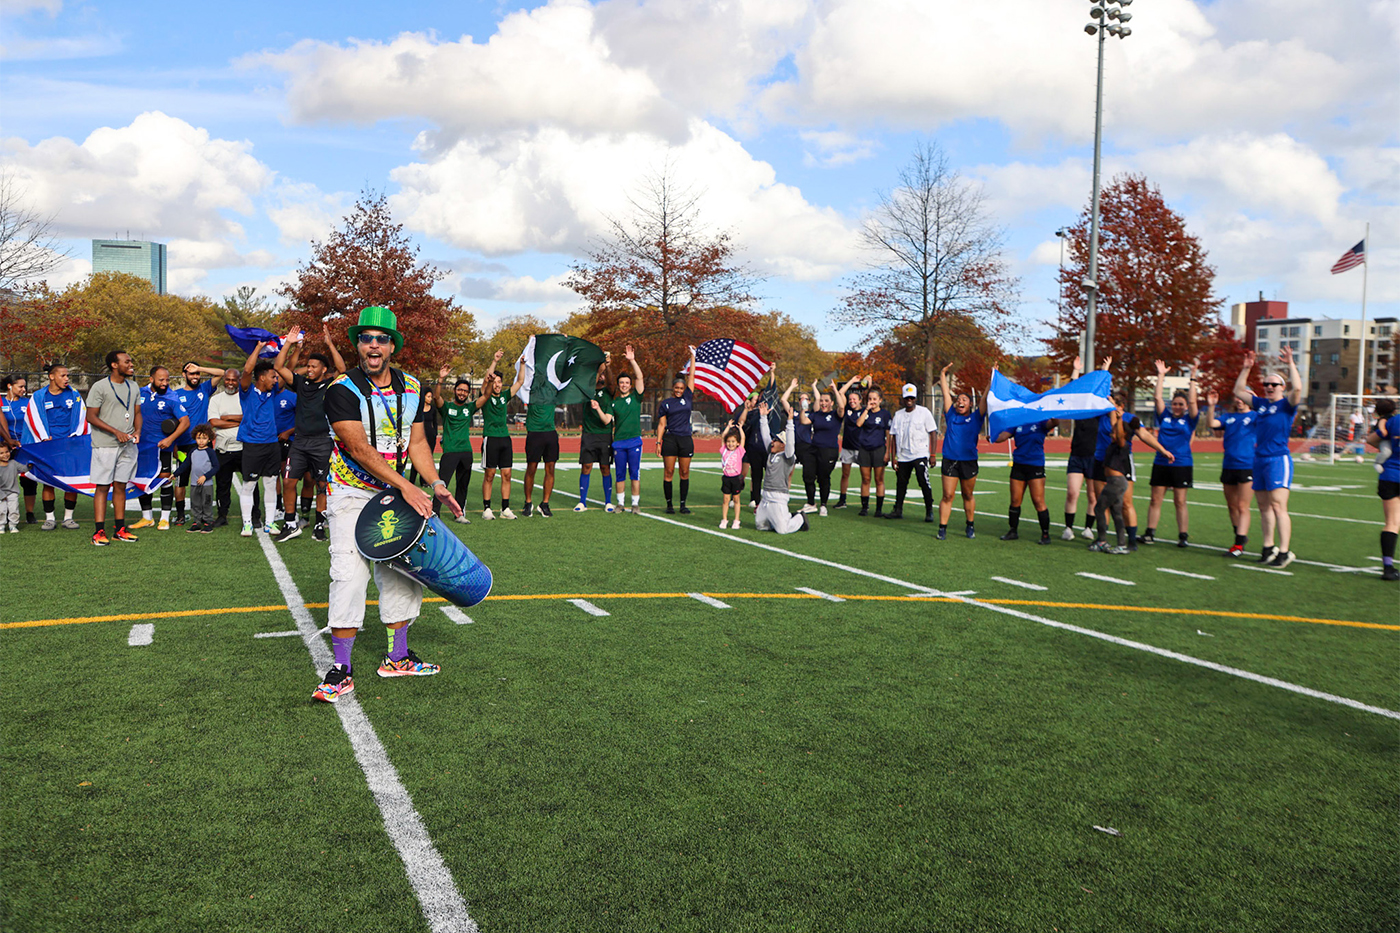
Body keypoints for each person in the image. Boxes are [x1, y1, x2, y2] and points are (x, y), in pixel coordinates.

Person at [312, 306, 462, 704]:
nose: (373, 345)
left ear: (392, 345)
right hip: (351, 491)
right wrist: (408, 489)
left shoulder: (411, 386)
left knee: (403, 573)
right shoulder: (341, 388)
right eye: (366, 338)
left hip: (394, 493)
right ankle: (341, 669)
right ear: (357, 345)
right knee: (348, 573)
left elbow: (417, 444)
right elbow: (358, 449)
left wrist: (435, 483)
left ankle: (398, 657)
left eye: (381, 338)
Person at [271, 324, 346, 542]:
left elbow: (341, 369)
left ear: (324, 370)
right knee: (289, 482)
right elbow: (279, 367)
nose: (309, 369)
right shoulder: (301, 383)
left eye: (314, 366)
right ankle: (290, 523)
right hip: (300, 442)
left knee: (322, 485)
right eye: (308, 365)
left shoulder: (331, 384)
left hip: (322, 442)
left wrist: (330, 344)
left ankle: (320, 525)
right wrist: (289, 344)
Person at [1233, 347, 1301, 568]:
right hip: (1259, 459)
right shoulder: (1261, 404)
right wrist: (1246, 368)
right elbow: (1238, 390)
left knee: (1279, 505)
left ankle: (1284, 550)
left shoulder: (1286, 405)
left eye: (1274, 384)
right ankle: (1268, 547)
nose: (1269, 387)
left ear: (1282, 388)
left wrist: (1291, 363)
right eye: (1266, 384)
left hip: (1278, 459)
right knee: (1263, 506)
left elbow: (1298, 387)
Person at [1091, 393, 1173, 554]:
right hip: (1101, 461)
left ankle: (1131, 540)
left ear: (1121, 405)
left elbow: (1144, 435)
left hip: (1120, 464)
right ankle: (1103, 539)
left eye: (1113, 403)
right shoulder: (1102, 415)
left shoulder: (1128, 418)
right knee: (1103, 503)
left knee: (1125, 504)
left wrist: (1162, 450)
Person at [86, 350, 142, 546]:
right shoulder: (99, 387)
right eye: (127, 362)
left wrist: (137, 431)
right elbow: (91, 417)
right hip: (105, 444)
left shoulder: (134, 386)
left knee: (121, 486)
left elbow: (137, 413)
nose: (131, 364)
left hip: (128, 446)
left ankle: (120, 529)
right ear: (114, 365)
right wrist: (115, 432)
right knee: (102, 487)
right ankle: (99, 532)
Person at [1142, 359, 1200, 548]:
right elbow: (1158, 398)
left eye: (1180, 404)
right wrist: (1161, 375)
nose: (1177, 406)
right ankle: (1150, 533)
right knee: (1155, 499)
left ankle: (1183, 535)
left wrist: (1193, 377)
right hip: (1161, 462)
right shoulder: (1164, 417)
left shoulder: (1190, 420)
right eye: (1175, 403)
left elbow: (1192, 400)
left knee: (1180, 501)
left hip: (1182, 463)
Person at [21, 363, 85, 530]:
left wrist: (75, 435)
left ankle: (68, 518)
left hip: (70, 444)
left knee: (71, 480)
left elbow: (82, 416)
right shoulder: (39, 396)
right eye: (63, 376)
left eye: (67, 376)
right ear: (51, 376)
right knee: (48, 482)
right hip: (48, 445)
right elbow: (32, 417)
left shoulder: (74, 394)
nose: (66, 379)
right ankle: (50, 518)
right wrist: (43, 437)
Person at [132, 365, 190, 531]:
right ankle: (146, 517)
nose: (165, 383)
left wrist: (170, 439)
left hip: (161, 447)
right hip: (142, 446)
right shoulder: (140, 393)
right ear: (151, 380)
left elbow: (185, 422)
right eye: (161, 380)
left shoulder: (172, 398)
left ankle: (164, 518)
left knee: (164, 480)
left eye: (167, 380)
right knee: (143, 480)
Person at [236, 345, 283, 537]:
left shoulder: (273, 392)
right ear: (262, 377)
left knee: (271, 483)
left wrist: (291, 346)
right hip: (252, 444)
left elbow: (286, 368)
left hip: (272, 444)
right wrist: (257, 348)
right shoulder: (247, 391)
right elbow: (247, 370)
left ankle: (270, 523)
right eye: (272, 376)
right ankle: (247, 524)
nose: (275, 380)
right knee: (249, 484)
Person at [937, 363, 987, 540]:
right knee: (947, 495)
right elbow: (944, 393)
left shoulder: (976, 418)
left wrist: (992, 378)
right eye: (958, 399)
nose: (960, 402)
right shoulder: (951, 415)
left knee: (967, 494)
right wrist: (943, 374)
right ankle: (942, 528)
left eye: (964, 400)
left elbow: (985, 399)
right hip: (950, 460)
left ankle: (970, 525)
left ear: (970, 404)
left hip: (968, 461)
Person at [1205, 389, 1257, 558]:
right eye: (1238, 397)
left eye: (1244, 397)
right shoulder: (1228, 417)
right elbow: (1211, 424)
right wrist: (1211, 406)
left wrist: (1256, 399)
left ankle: (1239, 544)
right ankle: (1239, 536)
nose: (1240, 400)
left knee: (1243, 505)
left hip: (1248, 466)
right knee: (1232, 506)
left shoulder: (1256, 416)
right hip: (1229, 465)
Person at [512, 346, 563, 518]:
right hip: (534, 432)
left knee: (551, 468)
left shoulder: (553, 386)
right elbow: (523, 376)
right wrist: (531, 344)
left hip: (550, 433)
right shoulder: (530, 388)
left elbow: (562, 367)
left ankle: (545, 503)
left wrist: (563, 344)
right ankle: (528, 502)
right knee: (531, 468)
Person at [173, 362, 225, 525]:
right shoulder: (175, 395)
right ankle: (181, 515)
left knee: (204, 479)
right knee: (181, 480)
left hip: (203, 445)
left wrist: (200, 368)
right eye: (191, 374)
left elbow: (221, 373)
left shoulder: (205, 389)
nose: (195, 377)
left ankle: (204, 514)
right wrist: (174, 444)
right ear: (184, 375)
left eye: (197, 374)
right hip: (183, 444)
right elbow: (174, 421)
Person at [994, 411, 1055, 545]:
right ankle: (1013, 531)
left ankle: (1045, 534)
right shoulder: (1018, 420)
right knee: (1015, 500)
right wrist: (992, 437)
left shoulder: (1041, 420)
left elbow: (1053, 423)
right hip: (1019, 464)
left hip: (1035, 465)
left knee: (1038, 501)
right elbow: (1004, 436)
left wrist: (1056, 412)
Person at [753, 401, 809, 534]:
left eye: (776, 440)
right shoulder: (771, 453)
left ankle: (799, 518)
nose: (772, 442)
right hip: (766, 497)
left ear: (783, 445)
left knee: (782, 530)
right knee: (761, 526)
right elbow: (765, 435)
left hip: (778, 498)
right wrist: (763, 418)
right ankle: (778, 519)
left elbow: (791, 443)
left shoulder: (788, 456)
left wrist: (790, 423)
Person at [886, 383, 938, 522]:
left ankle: (929, 510)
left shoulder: (924, 412)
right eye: (907, 398)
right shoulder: (898, 415)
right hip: (903, 456)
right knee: (901, 483)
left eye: (912, 398)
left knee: (923, 481)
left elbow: (933, 433)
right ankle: (898, 510)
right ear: (903, 399)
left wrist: (933, 454)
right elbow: (893, 436)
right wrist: (893, 458)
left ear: (915, 398)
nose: (909, 400)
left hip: (920, 453)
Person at [1061, 356, 1099, 540]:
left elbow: (1107, 390)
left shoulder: (1100, 410)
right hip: (1076, 454)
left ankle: (1088, 528)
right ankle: (1068, 528)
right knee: (1072, 492)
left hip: (1094, 456)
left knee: (1093, 496)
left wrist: (1106, 370)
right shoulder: (1080, 409)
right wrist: (1075, 371)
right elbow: (1071, 393)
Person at [655, 345, 697, 514]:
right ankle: (669, 504)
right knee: (669, 472)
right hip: (670, 439)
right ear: (673, 388)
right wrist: (658, 442)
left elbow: (692, 376)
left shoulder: (687, 396)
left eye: (681, 388)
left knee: (685, 472)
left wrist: (693, 356)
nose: (679, 390)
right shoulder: (665, 403)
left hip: (685, 439)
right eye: (677, 388)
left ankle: (682, 504)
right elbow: (661, 425)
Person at [433, 366, 475, 524]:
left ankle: (459, 514)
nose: (462, 393)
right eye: (460, 390)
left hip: (466, 452)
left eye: (465, 391)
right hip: (450, 452)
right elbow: (437, 398)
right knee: (442, 483)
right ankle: (435, 511)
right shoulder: (448, 407)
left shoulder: (469, 408)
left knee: (463, 485)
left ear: (468, 393)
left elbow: (484, 397)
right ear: (455, 390)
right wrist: (441, 380)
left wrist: (489, 382)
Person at [476, 352, 516, 520]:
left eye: (500, 382)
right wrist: (494, 361)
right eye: (496, 381)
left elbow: (519, 382)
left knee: (507, 474)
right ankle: (487, 508)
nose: (498, 384)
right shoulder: (485, 397)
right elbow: (486, 380)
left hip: (505, 439)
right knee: (490, 474)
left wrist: (525, 365)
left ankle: (505, 509)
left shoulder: (504, 397)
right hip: (490, 438)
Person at [608, 345, 646, 515]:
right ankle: (620, 504)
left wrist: (632, 360)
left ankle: (635, 504)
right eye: (621, 383)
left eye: (626, 383)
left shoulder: (636, 398)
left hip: (634, 441)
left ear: (631, 385)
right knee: (620, 475)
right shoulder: (614, 403)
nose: (624, 385)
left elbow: (639, 376)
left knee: (634, 474)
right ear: (618, 385)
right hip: (619, 443)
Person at [576, 355, 615, 513]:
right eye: (601, 374)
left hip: (604, 435)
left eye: (604, 375)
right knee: (586, 466)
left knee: (605, 467)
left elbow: (612, 382)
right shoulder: (587, 391)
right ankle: (582, 502)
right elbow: (592, 381)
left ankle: (608, 502)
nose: (603, 376)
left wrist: (608, 366)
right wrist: (600, 367)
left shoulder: (608, 391)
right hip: (589, 434)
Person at [1366, 398, 1400, 581]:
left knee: (1392, 523)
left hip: (1390, 475)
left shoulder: (1393, 420)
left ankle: (1388, 567)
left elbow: (1371, 439)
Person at [207, 369, 244, 529]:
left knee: (251, 483)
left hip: (244, 447)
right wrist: (238, 421)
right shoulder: (216, 399)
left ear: (239, 380)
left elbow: (248, 418)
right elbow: (214, 422)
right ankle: (222, 515)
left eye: (233, 380)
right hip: (223, 448)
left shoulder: (245, 397)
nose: (230, 383)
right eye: (227, 379)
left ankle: (255, 515)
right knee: (222, 484)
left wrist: (227, 417)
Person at [799, 381, 841, 516]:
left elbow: (841, 406)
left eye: (826, 401)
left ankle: (823, 504)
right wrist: (803, 409)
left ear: (831, 403)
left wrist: (835, 390)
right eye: (821, 400)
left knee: (823, 477)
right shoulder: (816, 414)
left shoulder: (836, 415)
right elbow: (804, 421)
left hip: (829, 451)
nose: (823, 403)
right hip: (814, 449)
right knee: (808, 475)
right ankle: (811, 503)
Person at [1, 375, 37, 523]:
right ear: (10, 386)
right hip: (4, 447)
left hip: (24, 446)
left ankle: (30, 513)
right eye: (20, 386)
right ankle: (5, 512)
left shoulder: (28, 403)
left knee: (28, 479)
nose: (24, 389)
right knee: (4, 478)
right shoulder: (1, 402)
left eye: (24, 386)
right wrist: (8, 441)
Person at [854, 387, 892, 516]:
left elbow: (889, 433)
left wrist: (888, 452)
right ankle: (864, 507)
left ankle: (879, 509)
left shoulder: (885, 414)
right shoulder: (864, 412)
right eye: (870, 399)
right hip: (864, 448)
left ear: (880, 400)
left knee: (879, 479)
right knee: (865, 479)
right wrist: (866, 409)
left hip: (879, 449)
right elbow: (858, 424)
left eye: (875, 399)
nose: (872, 401)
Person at [831, 375, 863, 509]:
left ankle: (864, 503)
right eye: (850, 399)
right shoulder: (847, 410)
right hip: (847, 447)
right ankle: (842, 500)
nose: (851, 401)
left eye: (854, 399)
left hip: (861, 448)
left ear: (860, 400)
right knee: (845, 474)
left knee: (865, 477)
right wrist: (852, 381)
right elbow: (840, 393)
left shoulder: (865, 410)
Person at [185, 424, 219, 533]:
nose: (201, 441)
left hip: (206, 484)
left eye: (204, 438)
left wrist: (205, 476)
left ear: (209, 439)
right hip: (195, 483)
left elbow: (216, 467)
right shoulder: (193, 452)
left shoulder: (210, 452)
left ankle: (208, 522)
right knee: (195, 503)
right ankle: (197, 522)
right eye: (199, 438)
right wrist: (175, 474)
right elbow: (186, 464)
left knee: (206, 503)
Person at [718, 420, 746, 529]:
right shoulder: (724, 450)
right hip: (726, 478)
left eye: (733, 442)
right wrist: (728, 427)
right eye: (729, 441)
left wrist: (740, 429)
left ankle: (736, 520)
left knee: (736, 500)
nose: (731, 444)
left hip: (736, 479)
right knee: (725, 499)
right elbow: (723, 437)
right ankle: (724, 519)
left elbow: (743, 439)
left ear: (737, 443)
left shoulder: (739, 451)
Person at [0, 444, 30, 533]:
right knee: (1, 510)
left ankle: (13, 525)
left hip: (13, 492)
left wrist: (30, 464)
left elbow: (24, 468)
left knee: (14, 509)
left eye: (6, 452)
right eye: (1, 453)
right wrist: (2, 495)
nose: (5, 454)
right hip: (1, 493)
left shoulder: (13, 463)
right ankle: (1, 525)